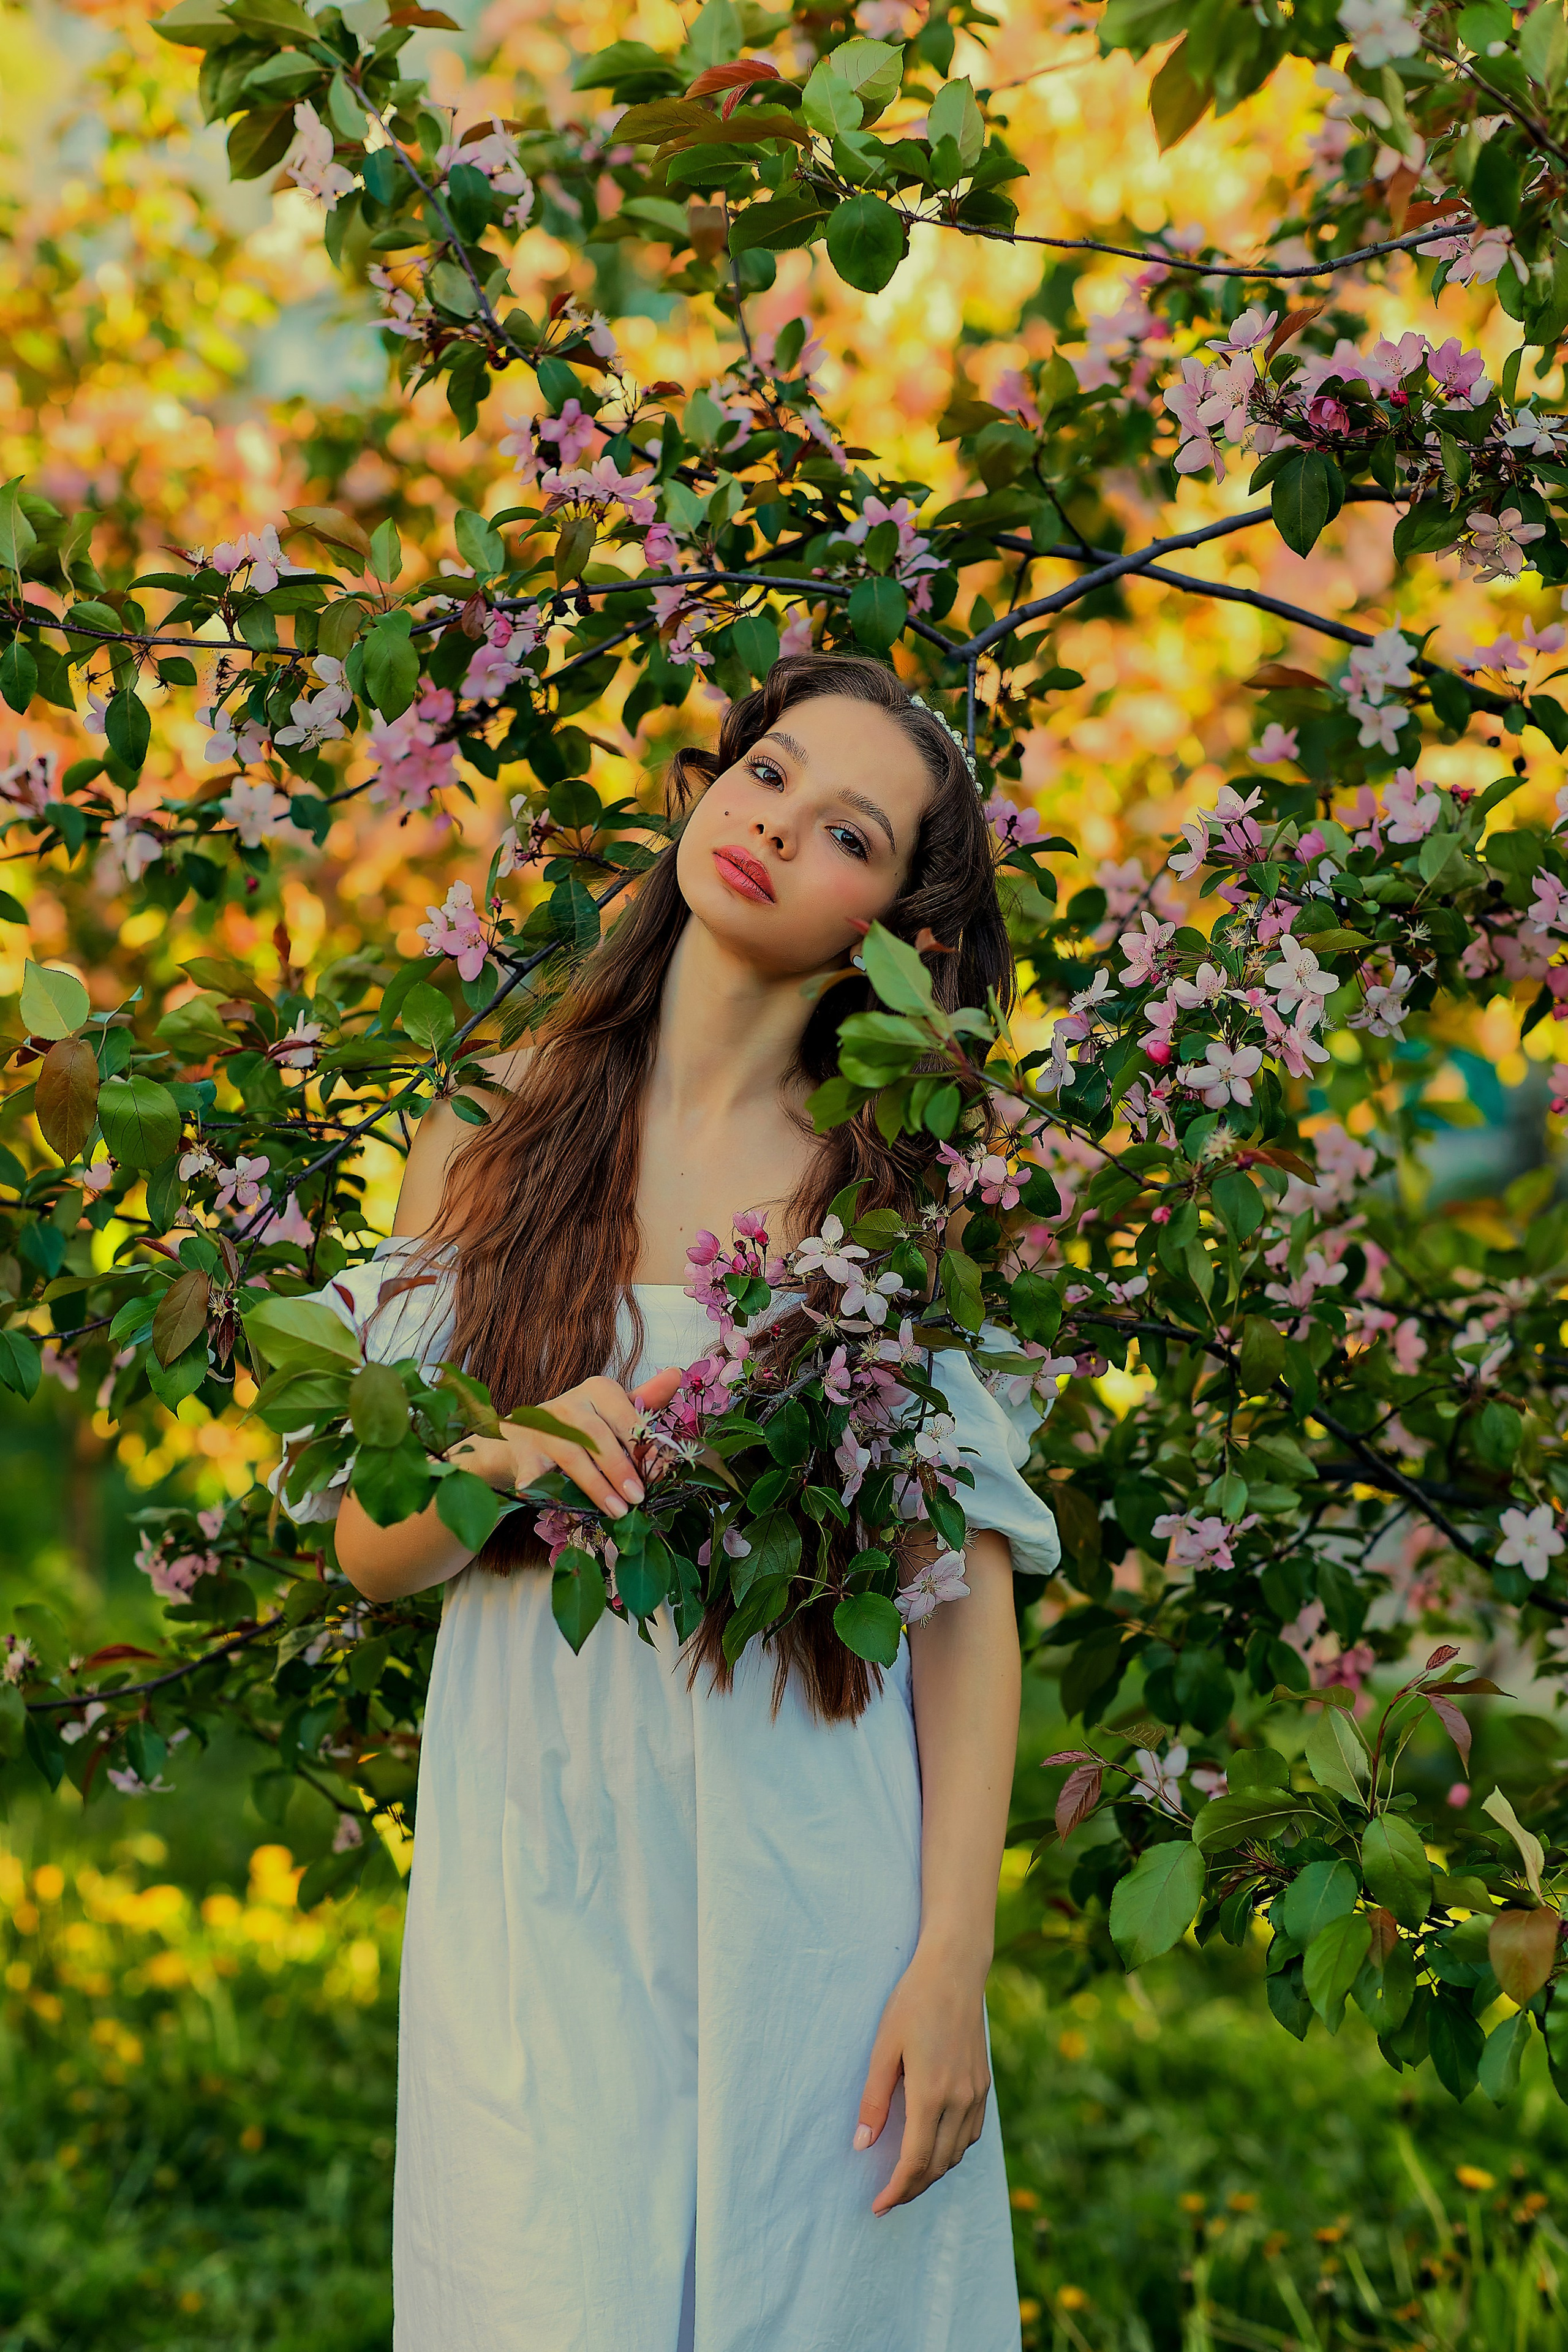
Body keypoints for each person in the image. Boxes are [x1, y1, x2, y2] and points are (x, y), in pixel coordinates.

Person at [282, 653, 1060, 2350]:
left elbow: (961, 1598)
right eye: (766, 772)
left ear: (904, 931)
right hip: (537, 1871)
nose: (773, 825)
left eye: (844, 828)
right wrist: (489, 1460)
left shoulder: (888, 1192)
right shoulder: (491, 1128)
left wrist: (950, 1957)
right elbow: (368, 1549)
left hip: (809, 1880)